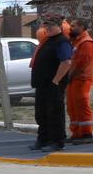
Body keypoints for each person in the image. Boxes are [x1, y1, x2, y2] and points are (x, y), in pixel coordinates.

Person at [29, 16, 72, 152]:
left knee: (54, 114)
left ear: (59, 26)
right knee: (42, 114)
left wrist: (56, 81)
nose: (48, 28)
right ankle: (43, 139)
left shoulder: (61, 42)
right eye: (46, 26)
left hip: (53, 85)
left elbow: (66, 62)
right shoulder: (48, 41)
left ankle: (57, 141)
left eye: (51, 26)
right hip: (42, 85)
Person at [65, 17, 93, 143]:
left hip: (82, 79)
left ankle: (87, 134)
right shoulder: (75, 41)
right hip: (74, 79)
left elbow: (82, 62)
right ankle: (76, 133)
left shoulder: (86, 42)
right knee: (72, 107)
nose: (70, 28)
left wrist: (70, 75)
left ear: (81, 28)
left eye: (73, 26)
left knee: (81, 106)